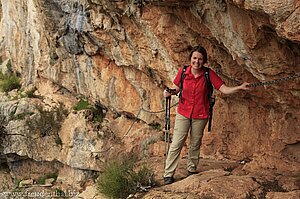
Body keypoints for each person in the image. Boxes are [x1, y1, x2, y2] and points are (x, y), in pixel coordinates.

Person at [163, 45, 250, 185]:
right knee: (177, 143)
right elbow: (176, 88)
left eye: (200, 59)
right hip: (183, 112)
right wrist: (169, 92)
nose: (197, 62)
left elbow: (224, 89)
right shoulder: (183, 71)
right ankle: (168, 174)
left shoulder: (208, 74)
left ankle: (191, 169)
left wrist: (239, 87)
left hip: (201, 114)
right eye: (194, 58)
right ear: (190, 58)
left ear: (204, 61)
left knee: (195, 143)